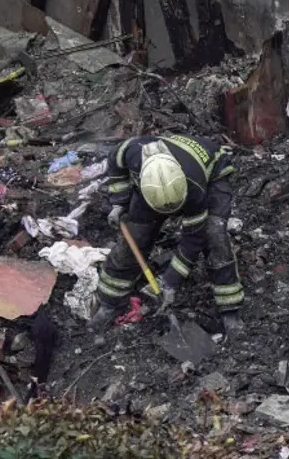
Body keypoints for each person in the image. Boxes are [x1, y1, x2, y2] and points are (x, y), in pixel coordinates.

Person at [88, 134, 243, 333]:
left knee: (214, 234)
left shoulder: (195, 188)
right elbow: (116, 166)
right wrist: (119, 203)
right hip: (156, 187)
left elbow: (193, 240)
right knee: (134, 238)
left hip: (212, 172)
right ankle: (110, 302)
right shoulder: (132, 153)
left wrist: (170, 282)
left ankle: (229, 309)